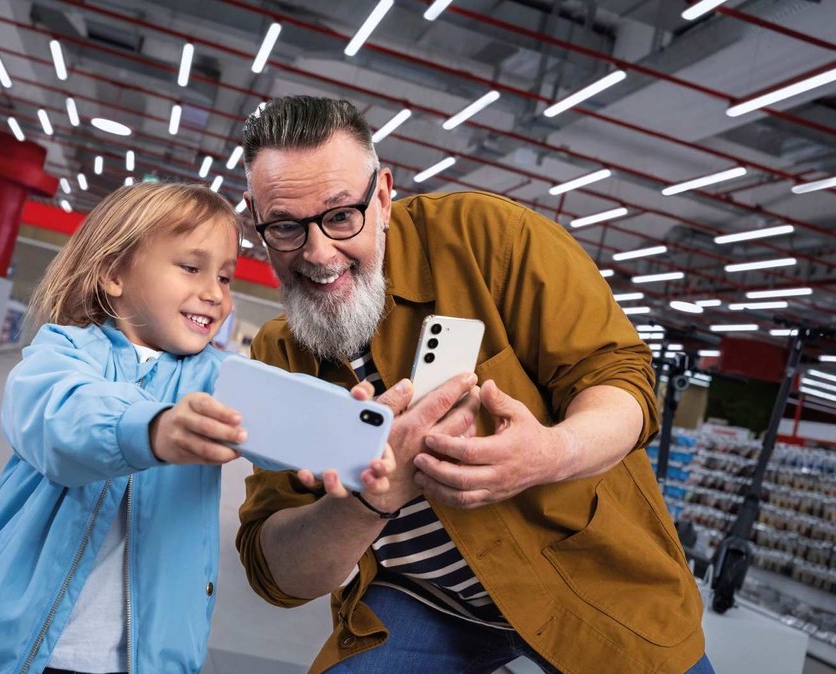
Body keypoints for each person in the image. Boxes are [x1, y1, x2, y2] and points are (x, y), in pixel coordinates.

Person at [235, 96, 713, 674]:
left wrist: (552, 453)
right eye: (286, 227)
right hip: (423, 597)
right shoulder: (277, 355)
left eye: (341, 216)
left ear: (383, 196)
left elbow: (621, 381)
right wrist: (368, 501)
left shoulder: (491, 239)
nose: (318, 253)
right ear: (258, 223)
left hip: (586, 576)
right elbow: (278, 573)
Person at [0, 181, 394, 674]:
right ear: (114, 273)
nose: (214, 294)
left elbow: (274, 405)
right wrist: (154, 429)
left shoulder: (215, 376)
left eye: (223, 277)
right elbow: (58, 418)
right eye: (191, 268)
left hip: (150, 657)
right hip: (14, 650)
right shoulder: (62, 353)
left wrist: (339, 416)